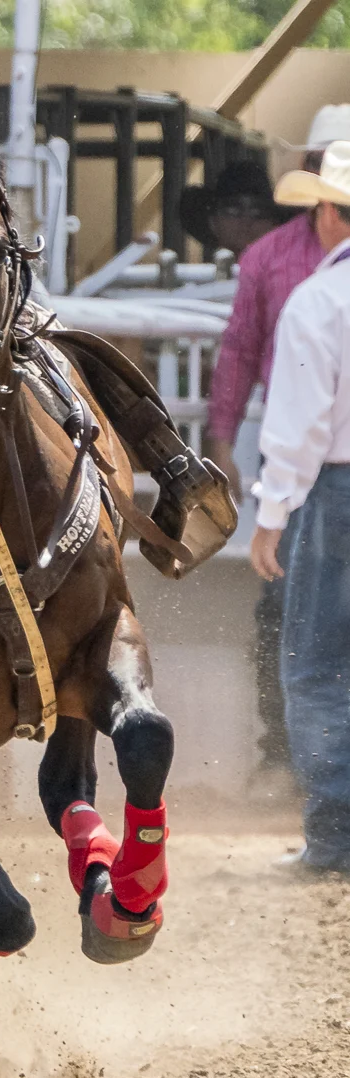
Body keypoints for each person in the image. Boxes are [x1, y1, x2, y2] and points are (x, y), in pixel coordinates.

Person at [206, 103, 350, 776]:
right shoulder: (270, 260)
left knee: (300, 617)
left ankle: (311, 777)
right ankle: (285, 754)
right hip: (297, 452)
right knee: (283, 610)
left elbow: (241, 353)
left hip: (304, 458)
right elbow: (238, 351)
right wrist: (223, 437)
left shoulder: (293, 277)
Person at [249, 140, 350, 873]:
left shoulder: (319, 302)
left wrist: (272, 512)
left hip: (335, 494)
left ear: (326, 213)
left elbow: (300, 423)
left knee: (315, 665)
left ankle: (336, 837)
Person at [179, 159, 292, 257]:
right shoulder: (197, 278)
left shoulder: (298, 281)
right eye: (233, 211)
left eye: (259, 213)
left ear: (275, 224)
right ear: (212, 221)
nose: (246, 221)